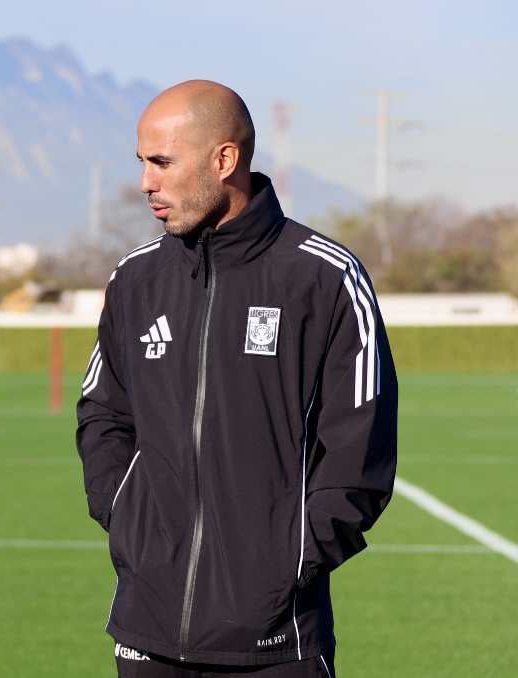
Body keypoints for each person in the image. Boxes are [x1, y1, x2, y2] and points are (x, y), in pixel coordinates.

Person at [77, 81, 397, 677]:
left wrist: (287, 560)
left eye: (162, 162)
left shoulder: (324, 278)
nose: (145, 182)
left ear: (225, 160)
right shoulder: (135, 280)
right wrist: (129, 520)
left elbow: (361, 451)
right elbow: (103, 415)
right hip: (147, 632)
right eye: (142, 162)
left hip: (276, 640)